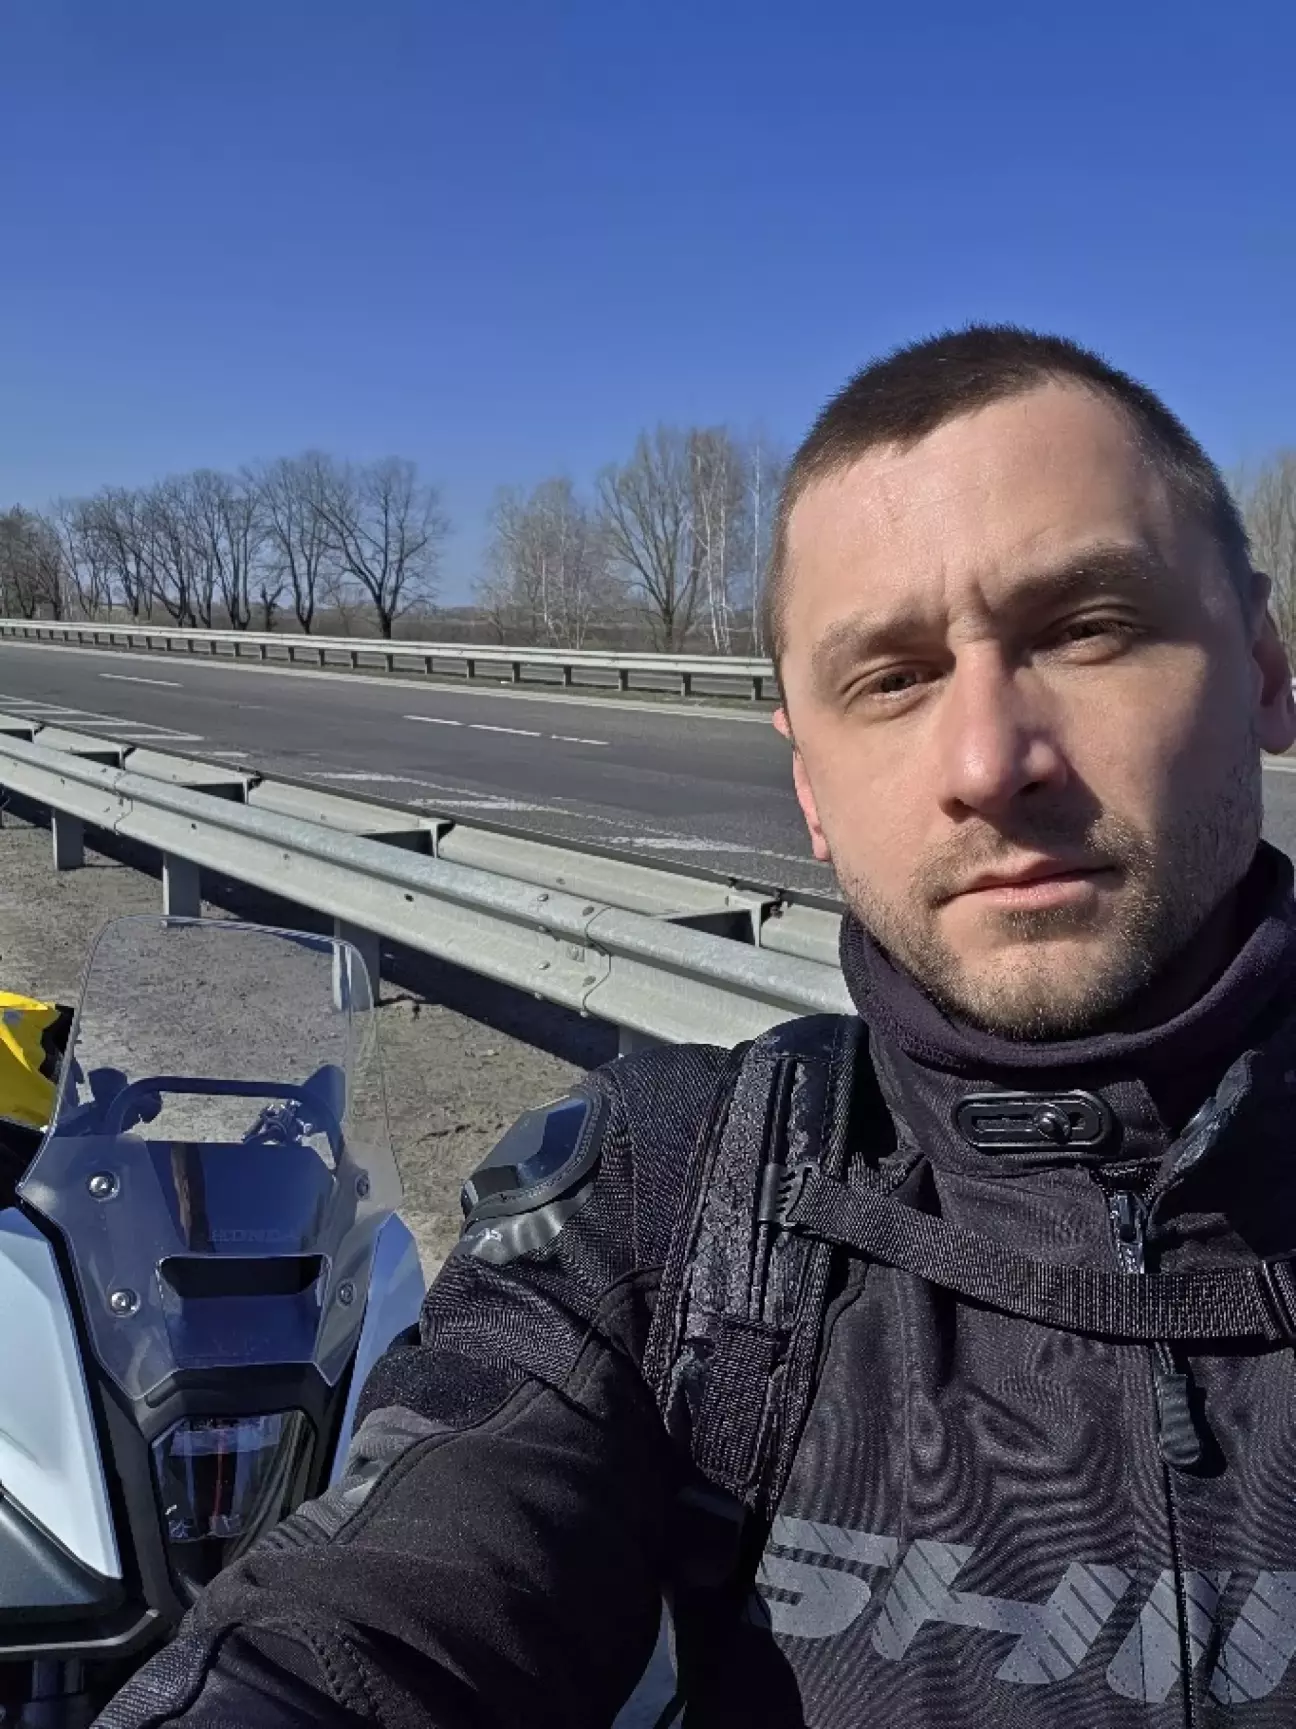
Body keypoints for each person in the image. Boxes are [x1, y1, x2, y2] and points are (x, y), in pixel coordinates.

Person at [97, 326, 1296, 1729]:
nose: (989, 761)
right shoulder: (672, 1202)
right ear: (810, 786)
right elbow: (375, 1613)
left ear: (1267, 670)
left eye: (1085, 629)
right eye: (892, 677)